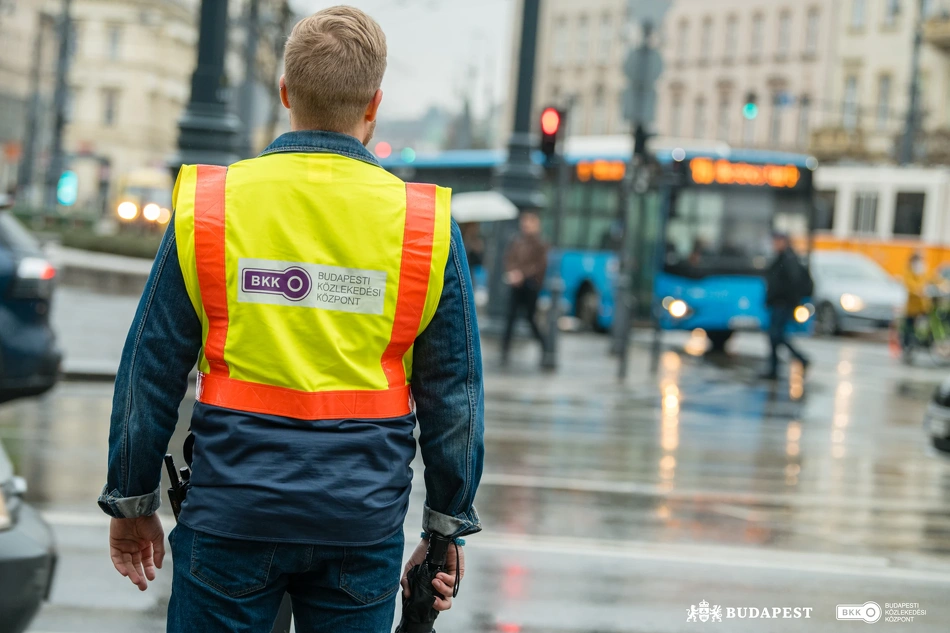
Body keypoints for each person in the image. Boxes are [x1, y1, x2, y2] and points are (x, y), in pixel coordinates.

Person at [96, 7, 484, 633]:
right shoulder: (425, 224)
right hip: (360, 520)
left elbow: (151, 365)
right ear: (375, 104)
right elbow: (453, 395)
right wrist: (445, 529)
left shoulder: (213, 205)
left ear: (284, 94)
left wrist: (131, 500)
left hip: (232, 509)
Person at [501, 210, 549, 364]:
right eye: (524, 222)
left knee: (530, 318)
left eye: (529, 222)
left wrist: (522, 274)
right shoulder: (517, 241)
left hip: (530, 287)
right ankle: (504, 351)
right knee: (510, 317)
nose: (526, 225)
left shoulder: (540, 244)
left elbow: (539, 266)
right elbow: (509, 258)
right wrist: (513, 272)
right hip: (516, 285)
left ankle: (545, 347)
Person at [762, 232, 810, 380]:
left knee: (776, 336)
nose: (775, 244)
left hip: (782, 304)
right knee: (775, 337)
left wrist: (788, 302)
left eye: (777, 241)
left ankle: (799, 359)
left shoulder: (788, 259)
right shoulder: (782, 258)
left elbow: (792, 283)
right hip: (778, 303)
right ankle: (775, 368)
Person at [902, 252, 932, 362]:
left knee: (929, 323)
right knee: (909, 327)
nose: (920, 263)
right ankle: (907, 346)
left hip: (924, 306)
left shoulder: (924, 272)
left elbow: (932, 280)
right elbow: (909, 285)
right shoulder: (909, 273)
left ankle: (927, 342)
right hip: (912, 307)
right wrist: (919, 290)